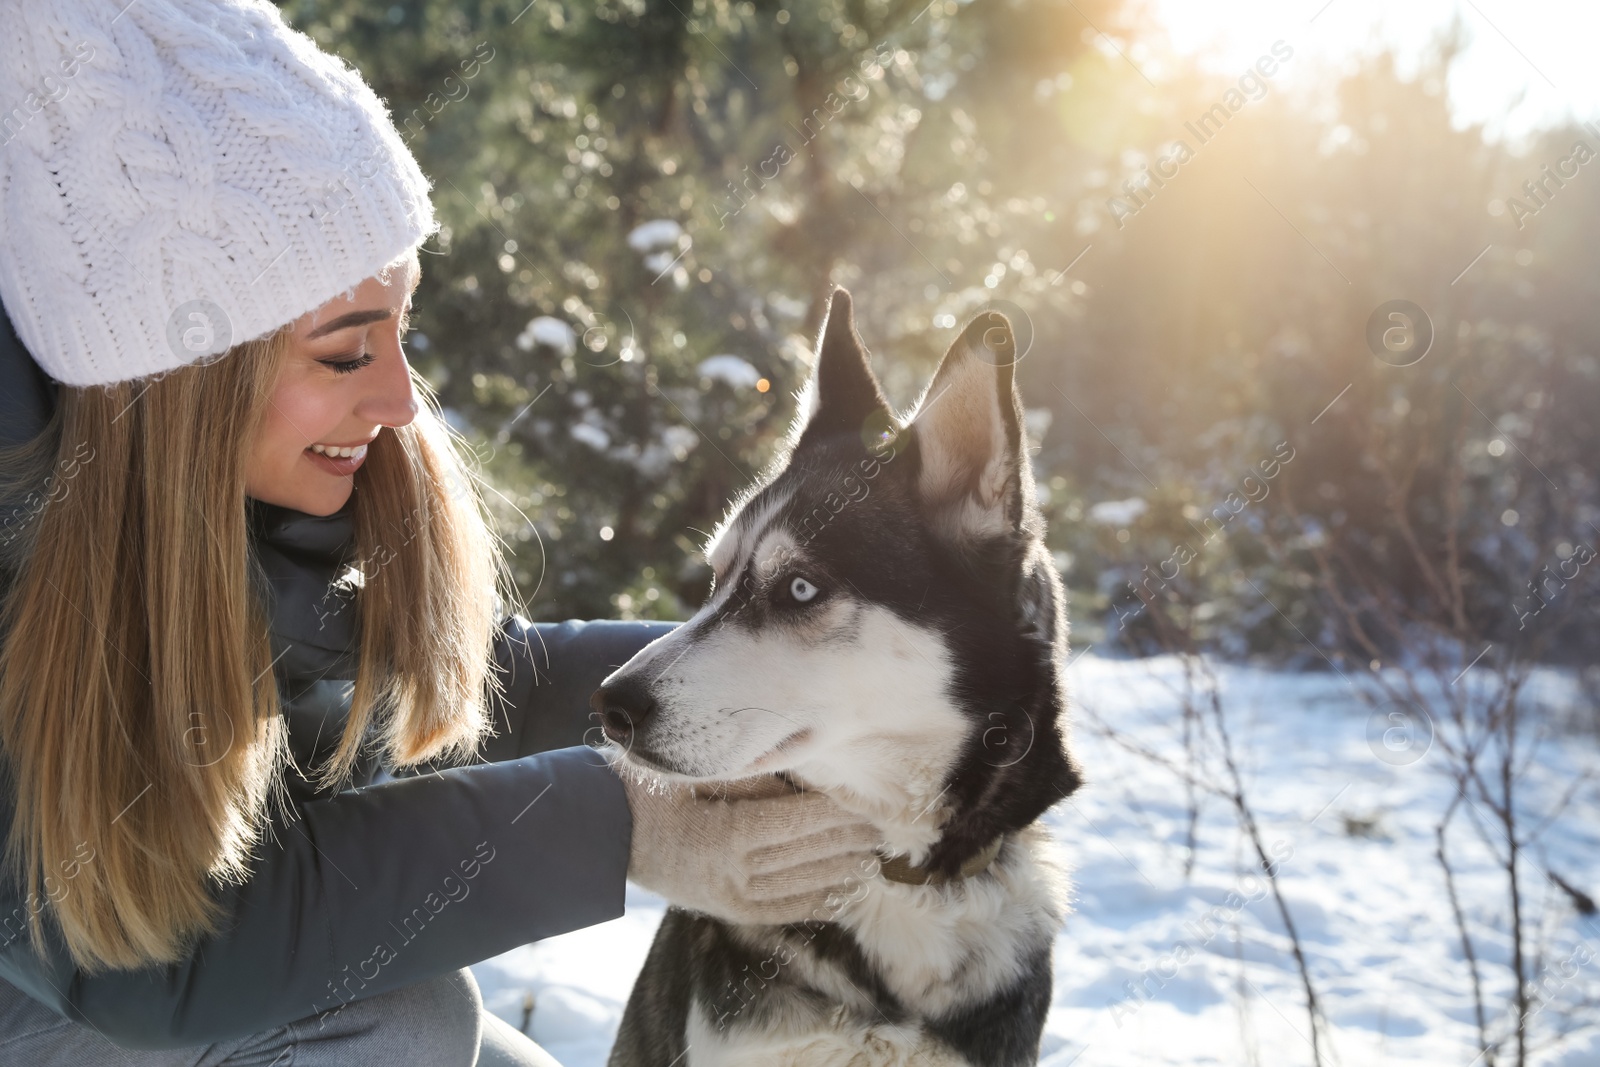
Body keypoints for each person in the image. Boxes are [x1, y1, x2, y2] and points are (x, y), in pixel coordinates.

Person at [0, 1, 884, 1064]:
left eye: (399, 329)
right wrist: (620, 825)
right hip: (86, 977)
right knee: (400, 1025)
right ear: (181, 379)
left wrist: (749, 670)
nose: (401, 399)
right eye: (343, 352)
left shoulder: (246, 502)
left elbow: (443, 690)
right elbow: (153, 961)